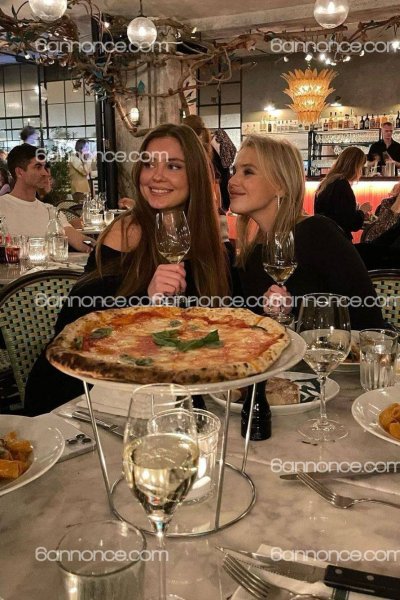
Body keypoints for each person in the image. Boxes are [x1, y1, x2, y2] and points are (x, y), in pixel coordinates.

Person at [25, 123, 232, 415]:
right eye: (148, 164)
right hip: (82, 393)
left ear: (195, 176)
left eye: (173, 166)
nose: (156, 175)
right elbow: (75, 322)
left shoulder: (207, 239)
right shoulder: (125, 231)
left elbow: (220, 322)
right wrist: (145, 299)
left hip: (161, 392)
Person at [229, 134, 384, 330]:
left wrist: (292, 316)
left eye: (248, 172)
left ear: (281, 185)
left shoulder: (318, 234)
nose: (232, 180)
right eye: (234, 171)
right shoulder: (251, 253)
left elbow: (368, 317)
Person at [0, 144, 92, 252]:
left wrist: (101, 247)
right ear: (20, 172)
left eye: (44, 167)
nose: (45, 173)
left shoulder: (50, 211)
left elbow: (81, 240)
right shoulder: (3, 207)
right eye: (38, 167)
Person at [314, 146, 371, 241]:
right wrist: (362, 211)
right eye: (361, 167)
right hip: (338, 241)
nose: (361, 172)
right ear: (355, 167)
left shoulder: (325, 183)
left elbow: (337, 215)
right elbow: (351, 223)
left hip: (323, 238)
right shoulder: (342, 185)